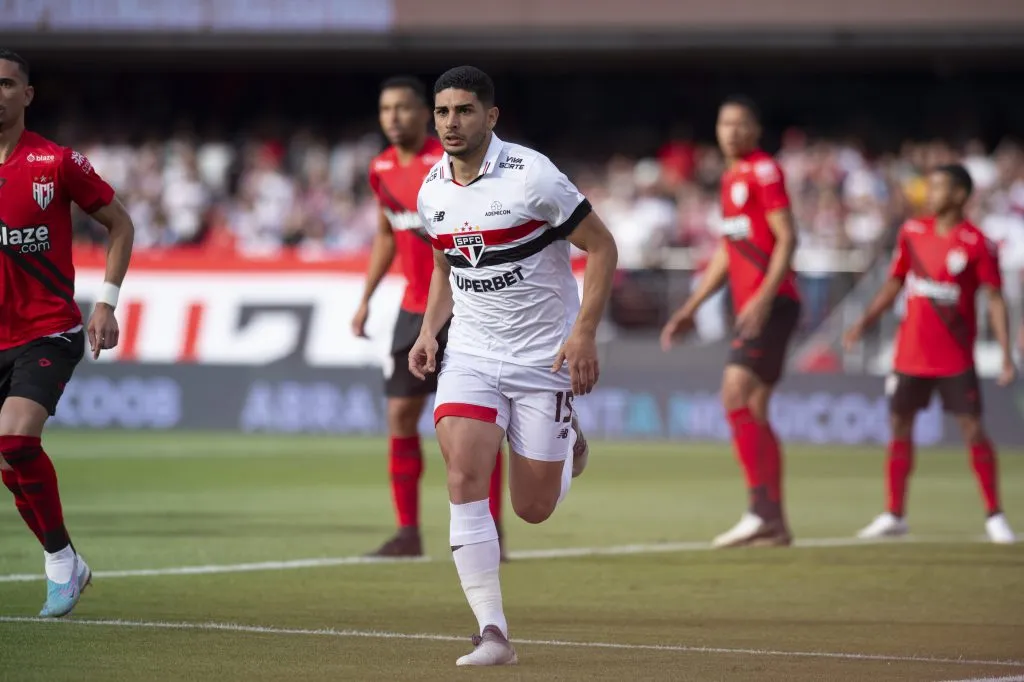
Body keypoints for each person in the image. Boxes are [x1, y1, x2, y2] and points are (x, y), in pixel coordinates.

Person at [409, 66, 617, 666]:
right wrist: (429, 330)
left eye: (465, 111)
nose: (451, 122)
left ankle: (568, 439)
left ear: (490, 117)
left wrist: (584, 334)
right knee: (462, 476)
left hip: (544, 357)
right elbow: (448, 264)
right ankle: (492, 632)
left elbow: (602, 246)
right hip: (471, 353)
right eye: (443, 111)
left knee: (532, 508)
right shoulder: (431, 190)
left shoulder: (534, 177)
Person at [0, 49, 135, 616]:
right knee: (10, 462)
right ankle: (68, 562)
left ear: (26, 95)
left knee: (14, 440)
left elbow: (120, 223)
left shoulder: (56, 162)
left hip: (48, 329)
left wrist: (105, 303)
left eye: (7, 83)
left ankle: (59, 563)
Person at [352, 76, 506, 559]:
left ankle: (492, 531)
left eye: (403, 108)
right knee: (399, 414)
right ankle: (407, 531)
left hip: (462, 309)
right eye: (385, 109)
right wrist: (366, 297)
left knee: (475, 427)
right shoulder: (379, 168)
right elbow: (384, 235)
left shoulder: (446, 167)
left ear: (426, 115)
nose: (393, 117)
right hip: (410, 307)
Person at [844, 164, 1016, 544]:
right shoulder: (912, 232)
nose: (929, 193)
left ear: (958, 195)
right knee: (899, 425)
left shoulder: (977, 243)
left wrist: (1007, 354)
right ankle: (894, 514)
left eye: (938, 187)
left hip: (954, 356)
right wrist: (863, 322)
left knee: (972, 429)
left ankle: (994, 515)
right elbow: (894, 283)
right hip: (910, 353)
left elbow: (995, 299)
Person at [660, 95, 800, 549]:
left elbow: (787, 237)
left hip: (771, 303)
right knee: (752, 408)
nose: (732, 131)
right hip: (756, 304)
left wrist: (762, 295)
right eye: (725, 124)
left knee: (735, 394)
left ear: (756, 130)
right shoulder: (730, 178)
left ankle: (761, 513)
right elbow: (728, 249)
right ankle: (772, 520)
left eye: (741, 124)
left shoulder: (764, 171)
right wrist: (692, 305)